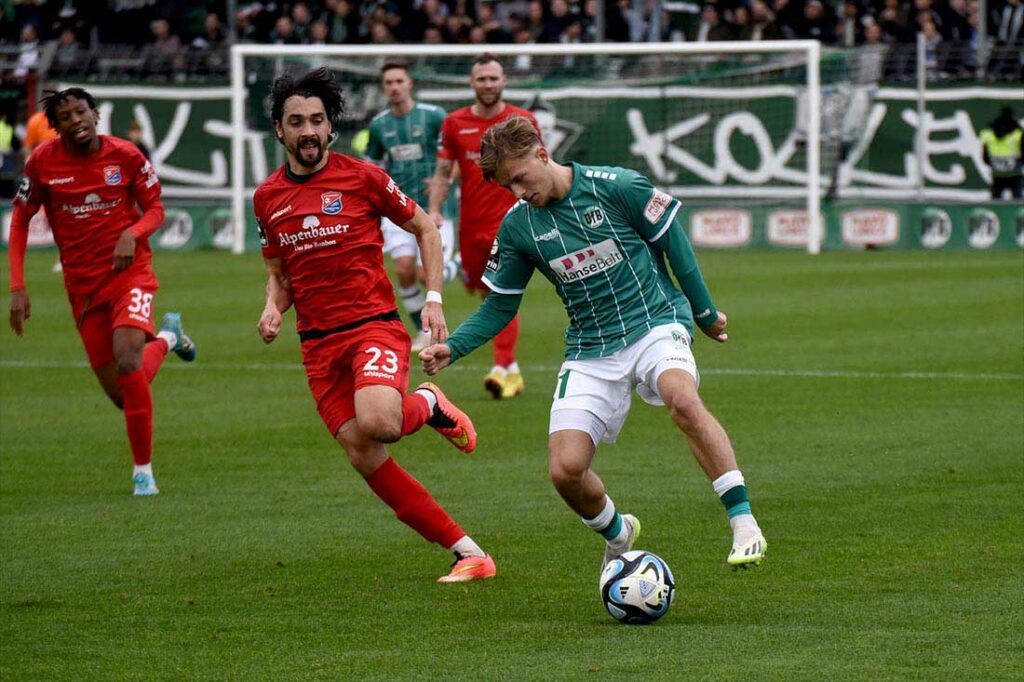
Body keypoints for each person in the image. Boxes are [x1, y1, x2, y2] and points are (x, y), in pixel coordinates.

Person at [421, 116, 768, 570]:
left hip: (654, 322)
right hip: (589, 346)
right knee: (565, 471)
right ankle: (618, 532)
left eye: (521, 178)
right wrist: (456, 346)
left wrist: (703, 313)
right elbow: (500, 306)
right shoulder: (518, 227)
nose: (518, 192)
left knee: (682, 399)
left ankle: (744, 523)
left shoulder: (618, 185)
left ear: (542, 153)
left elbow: (674, 244)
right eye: (508, 186)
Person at [253, 68, 496, 583]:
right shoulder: (267, 198)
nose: (308, 131)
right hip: (317, 346)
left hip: (373, 326)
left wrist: (432, 297)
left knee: (381, 421)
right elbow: (279, 274)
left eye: (317, 120)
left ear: (330, 127)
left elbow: (425, 228)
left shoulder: (361, 177)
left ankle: (427, 402)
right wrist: (273, 308)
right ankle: (468, 552)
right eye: (296, 122)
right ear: (280, 130)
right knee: (363, 452)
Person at [8, 87, 196, 496]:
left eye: (82, 111)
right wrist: (18, 287)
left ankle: (142, 473)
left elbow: (157, 209)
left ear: (96, 114)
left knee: (128, 359)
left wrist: (132, 232)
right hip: (82, 287)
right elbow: (21, 221)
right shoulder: (42, 163)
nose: (77, 120)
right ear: (54, 128)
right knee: (123, 396)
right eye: (66, 116)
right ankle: (168, 337)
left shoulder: (126, 155)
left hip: (130, 275)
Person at [428, 53, 540, 400]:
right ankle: (512, 371)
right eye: (482, 79)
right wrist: (433, 210)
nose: (488, 85)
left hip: (511, 222)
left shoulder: (523, 121)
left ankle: (502, 366)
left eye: (494, 78)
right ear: (472, 83)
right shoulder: (453, 123)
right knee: (481, 290)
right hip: (470, 225)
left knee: (499, 292)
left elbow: (540, 167)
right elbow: (444, 171)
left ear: (504, 81)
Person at [366, 61, 455, 353]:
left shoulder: (433, 116)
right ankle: (422, 330)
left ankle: (458, 268)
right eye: (388, 82)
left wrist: (445, 181)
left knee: (423, 274)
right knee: (403, 271)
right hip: (398, 210)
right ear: (384, 87)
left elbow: (454, 157)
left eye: (398, 81)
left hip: (433, 209)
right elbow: (374, 167)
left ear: (409, 83)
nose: (394, 87)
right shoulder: (379, 125)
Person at [979, 107, 1023, 200]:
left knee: (996, 201)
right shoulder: (1018, 134)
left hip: (997, 173)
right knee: (1018, 201)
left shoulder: (988, 134)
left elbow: (984, 156)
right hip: (1015, 172)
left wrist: (994, 164)